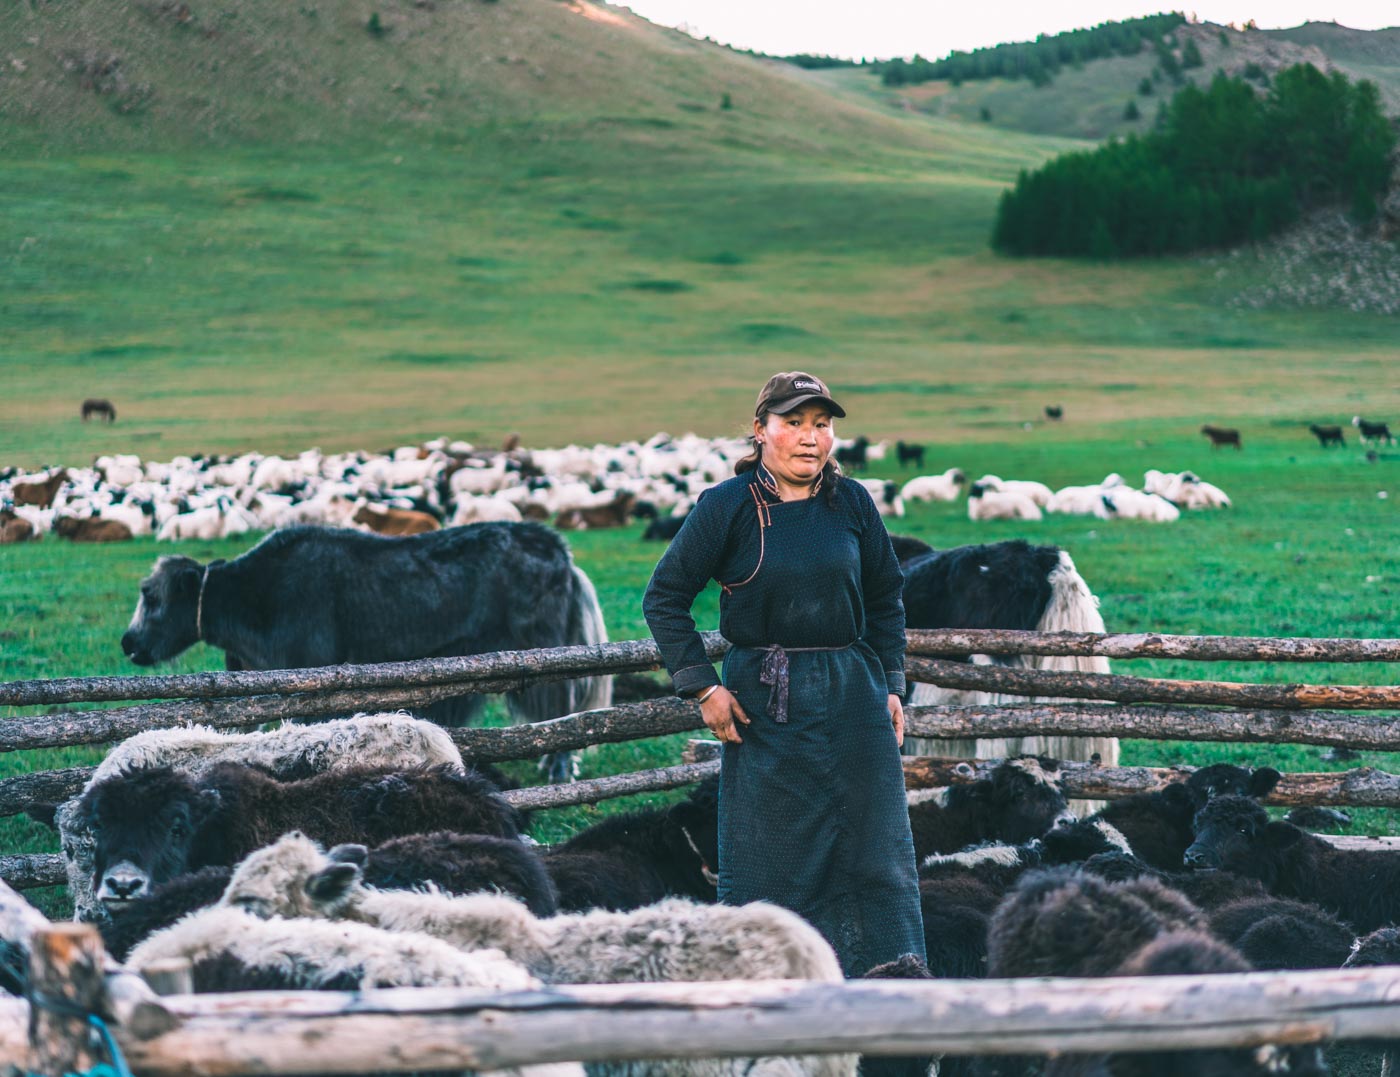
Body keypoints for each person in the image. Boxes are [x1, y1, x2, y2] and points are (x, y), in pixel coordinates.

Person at [642, 371, 926, 977]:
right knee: (774, 853)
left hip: (853, 691)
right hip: (766, 700)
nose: (809, 438)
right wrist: (702, 685)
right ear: (761, 430)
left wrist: (893, 684)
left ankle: (887, 982)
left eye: (820, 425)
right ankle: (768, 988)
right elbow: (665, 596)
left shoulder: (851, 503)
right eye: (792, 423)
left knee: (875, 852)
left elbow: (885, 596)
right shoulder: (728, 506)